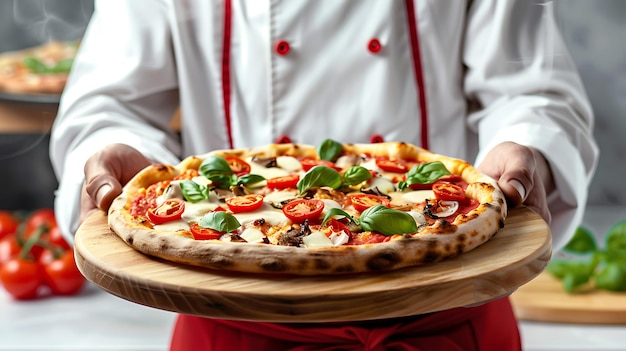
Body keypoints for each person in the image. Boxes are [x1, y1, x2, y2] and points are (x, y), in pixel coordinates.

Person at [50, 1, 598, 350]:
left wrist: (526, 146)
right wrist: (113, 151)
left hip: (445, 316)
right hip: (236, 322)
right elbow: (110, 102)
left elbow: (531, 88)